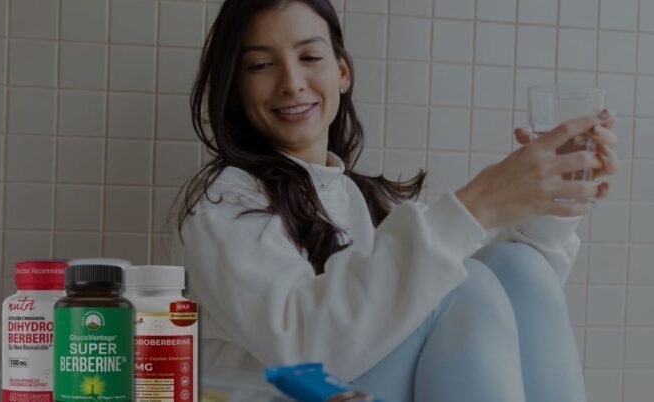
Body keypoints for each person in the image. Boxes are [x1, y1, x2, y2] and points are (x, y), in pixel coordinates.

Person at [170, 0, 619, 401]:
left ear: (342, 73)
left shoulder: (350, 196)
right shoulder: (224, 203)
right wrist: (479, 203)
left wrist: (556, 196)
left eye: (309, 57)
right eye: (261, 66)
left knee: (518, 269)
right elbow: (303, 350)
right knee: (463, 285)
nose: (291, 82)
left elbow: (505, 319)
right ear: (236, 89)